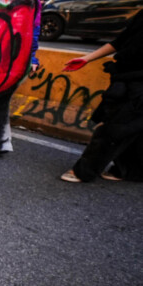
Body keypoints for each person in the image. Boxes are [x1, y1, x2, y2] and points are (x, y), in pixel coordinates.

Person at [61, 11, 143, 182]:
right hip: (125, 76)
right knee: (131, 127)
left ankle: (84, 171)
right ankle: (128, 170)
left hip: (138, 83)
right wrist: (87, 58)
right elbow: (121, 42)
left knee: (114, 127)